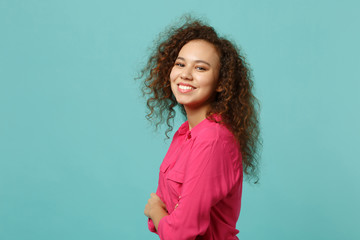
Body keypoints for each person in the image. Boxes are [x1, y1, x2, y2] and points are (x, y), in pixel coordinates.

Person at [140, 17, 261, 240]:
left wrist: (156, 212)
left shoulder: (213, 138)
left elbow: (179, 231)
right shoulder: (185, 133)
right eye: (180, 64)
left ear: (221, 83)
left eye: (200, 68)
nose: (185, 74)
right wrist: (162, 217)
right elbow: (165, 216)